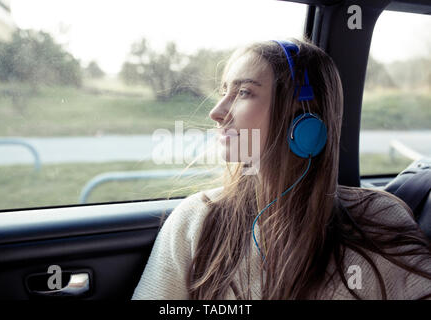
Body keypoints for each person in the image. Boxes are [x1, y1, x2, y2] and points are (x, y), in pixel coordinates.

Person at [132, 38, 431, 300]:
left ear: (304, 120)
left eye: (244, 92)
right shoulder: (197, 219)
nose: (217, 111)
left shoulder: (377, 218)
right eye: (224, 91)